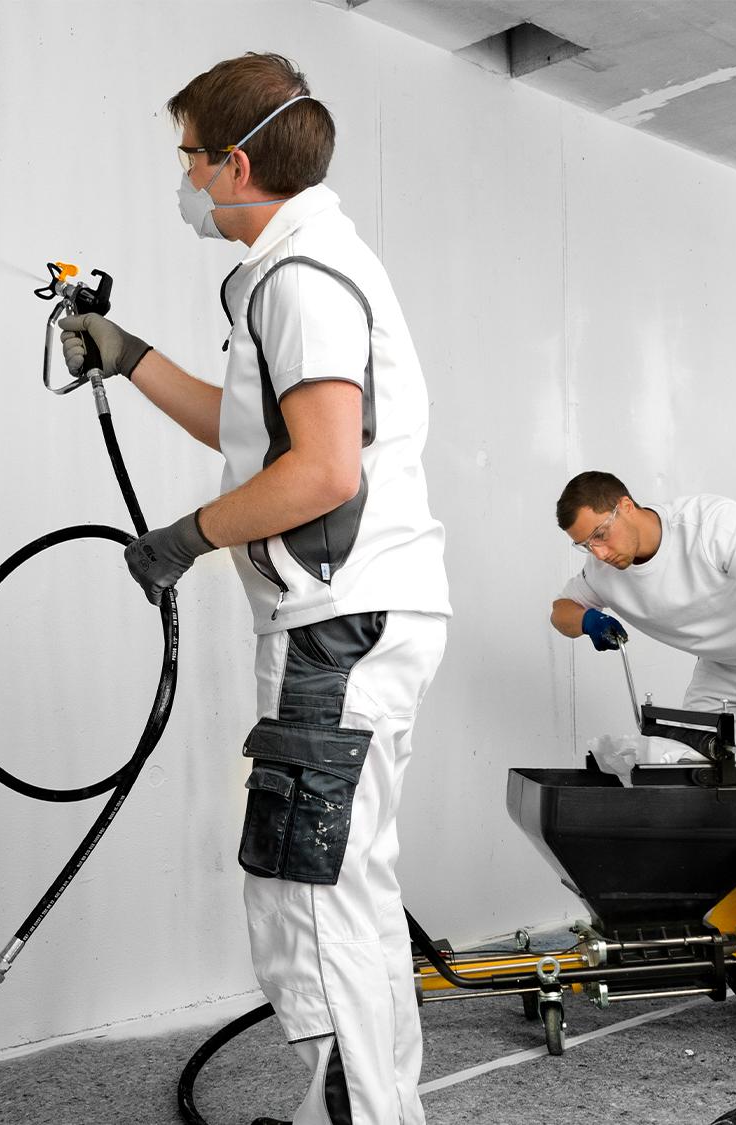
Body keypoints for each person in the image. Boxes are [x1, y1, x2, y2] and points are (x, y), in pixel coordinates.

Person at [56, 53, 448, 1125]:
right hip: (351, 614)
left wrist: (179, 540)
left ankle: (370, 1121)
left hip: (339, 622)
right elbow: (256, 438)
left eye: (185, 155)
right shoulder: (294, 268)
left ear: (233, 164)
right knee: (329, 885)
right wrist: (125, 353)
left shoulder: (304, 279)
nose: (179, 177)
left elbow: (323, 471)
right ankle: (356, 1109)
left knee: (318, 892)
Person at [549, 471, 736, 751]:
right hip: (719, 665)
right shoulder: (602, 570)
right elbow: (561, 610)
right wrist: (587, 620)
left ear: (625, 506)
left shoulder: (710, 524)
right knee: (692, 768)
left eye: (600, 534)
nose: (599, 553)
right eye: (585, 545)